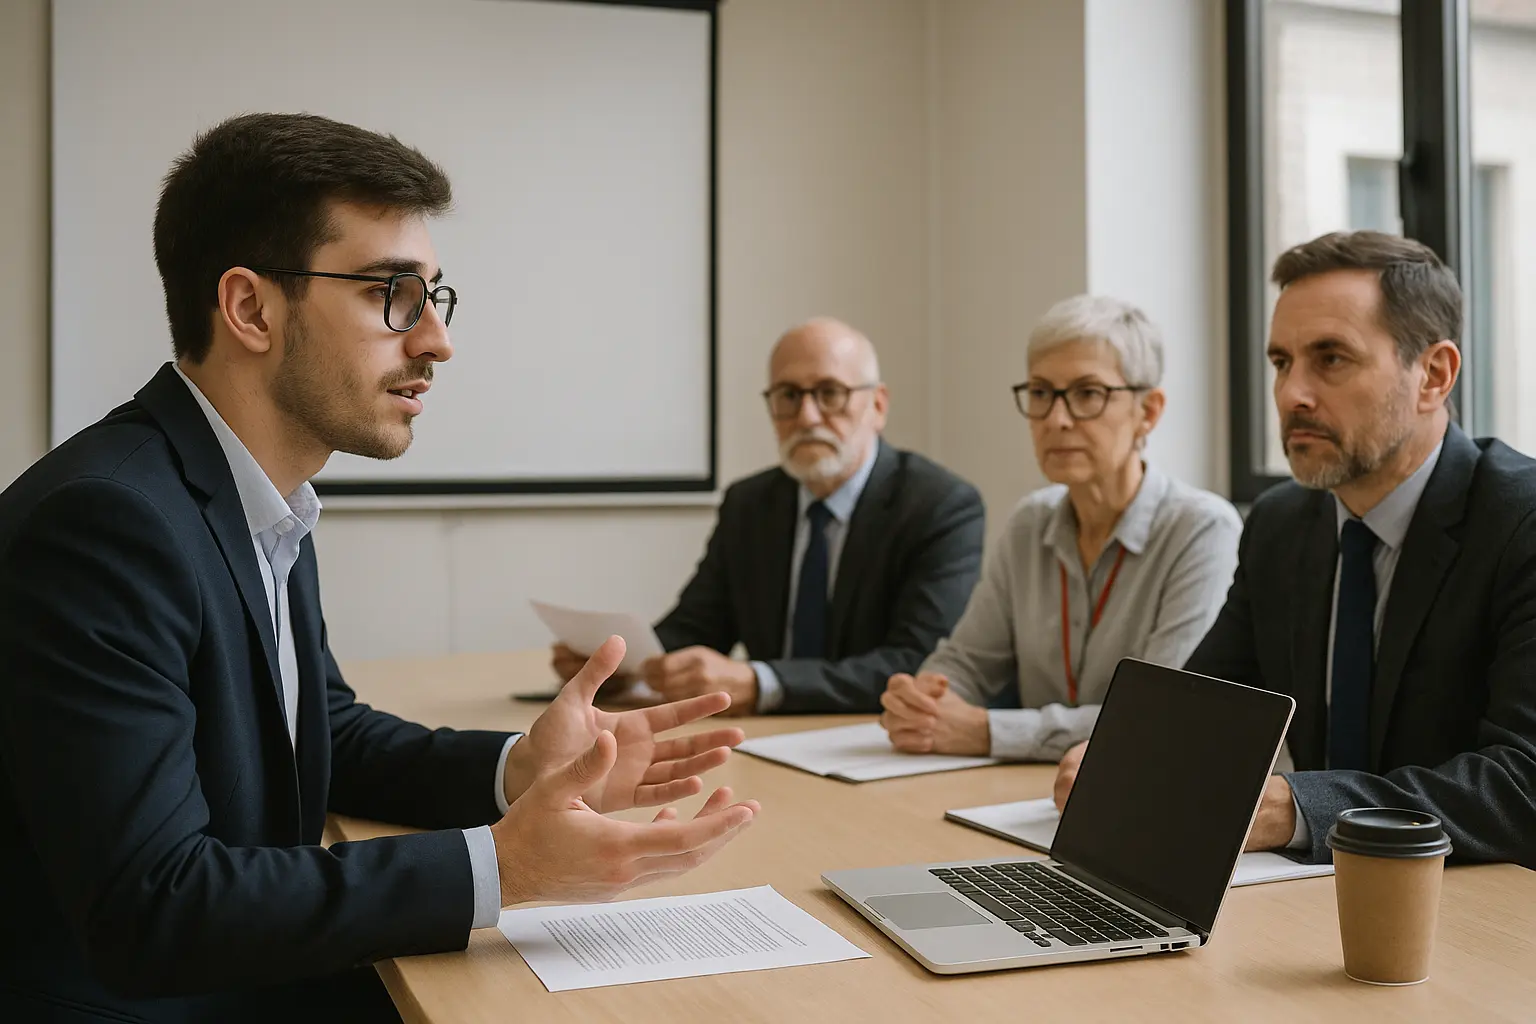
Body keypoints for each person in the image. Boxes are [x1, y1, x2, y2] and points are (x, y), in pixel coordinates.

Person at [0, 113, 760, 1023]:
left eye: (436, 297)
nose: (435, 341)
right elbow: (153, 906)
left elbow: (320, 731)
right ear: (249, 309)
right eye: (391, 295)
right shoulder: (109, 524)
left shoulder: (250, 492)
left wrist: (520, 770)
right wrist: (502, 864)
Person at [1053, 231, 1536, 868]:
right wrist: (1122, 756)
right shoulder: (1283, 523)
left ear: (1434, 375)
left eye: (1331, 359)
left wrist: (1297, 808)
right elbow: (1197, 712)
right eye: (1282, 363)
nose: (1290, 395)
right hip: (1313, 906)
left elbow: (1521, 785)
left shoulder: (1519, 521)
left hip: (1484, 922)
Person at [552, 318, 985, 714]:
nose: (807, 416)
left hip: (878, 746)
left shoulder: (940, 506)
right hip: (765, 745)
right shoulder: (749, 503)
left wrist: (761, 682)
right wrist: (618, 665)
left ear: (877, 405)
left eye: (830, 393)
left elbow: (917, 663)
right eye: (788, 396)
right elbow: (698, 626)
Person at [877, 296, 1241, 760]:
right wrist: (922, 702)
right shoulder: (1031, 522)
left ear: (1148, 411)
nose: (1056, 419)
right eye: (1041, 393)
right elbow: (966, 663)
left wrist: (988, 732)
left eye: (1088, 393)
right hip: (1025, 794)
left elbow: (1159, 715)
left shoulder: (1203, 530)